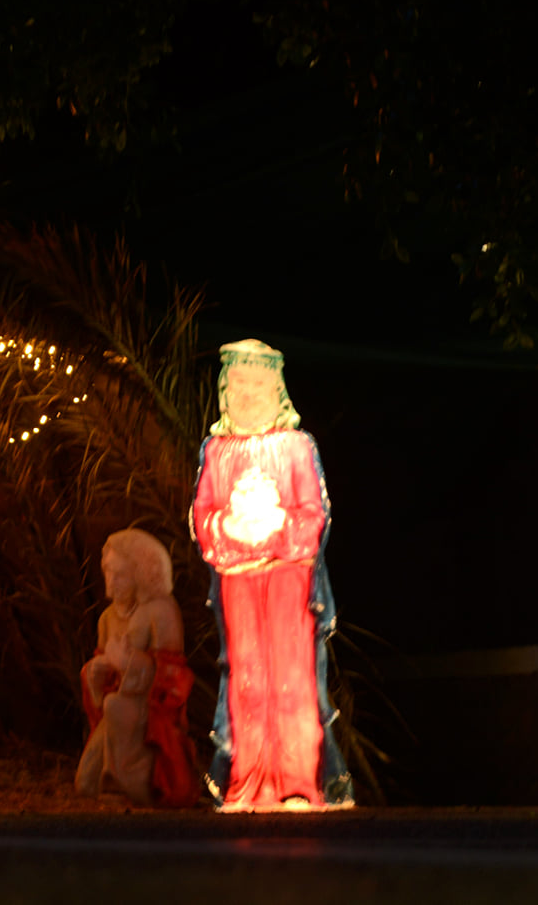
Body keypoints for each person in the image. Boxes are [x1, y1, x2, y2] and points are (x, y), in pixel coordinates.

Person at [189, 339, 353, 811]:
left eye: (257, 383)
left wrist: (275, 526)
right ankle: (247, 780)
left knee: (292, 678)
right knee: (248, 677)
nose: (247, 393)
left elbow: (313, 514)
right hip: (237, 577)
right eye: (238, 382)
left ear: (276, 389)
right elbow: (203, 514)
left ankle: (298, 781)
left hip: (287, 578)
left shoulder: (296, 447)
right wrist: (230, 527)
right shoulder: (216, 451)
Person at [76, 529, 199, 808]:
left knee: (116, 706)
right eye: (108, 572)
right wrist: (95, 674)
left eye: (120, 574)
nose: (112, 581)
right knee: (85, 783)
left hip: (149, 710)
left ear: (141, 573)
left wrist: (129, 665)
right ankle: (114, 779)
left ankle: (126, 783)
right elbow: (104, 682)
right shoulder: (107, 619)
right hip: (117, 709)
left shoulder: (161, 611)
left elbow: (173, 673)